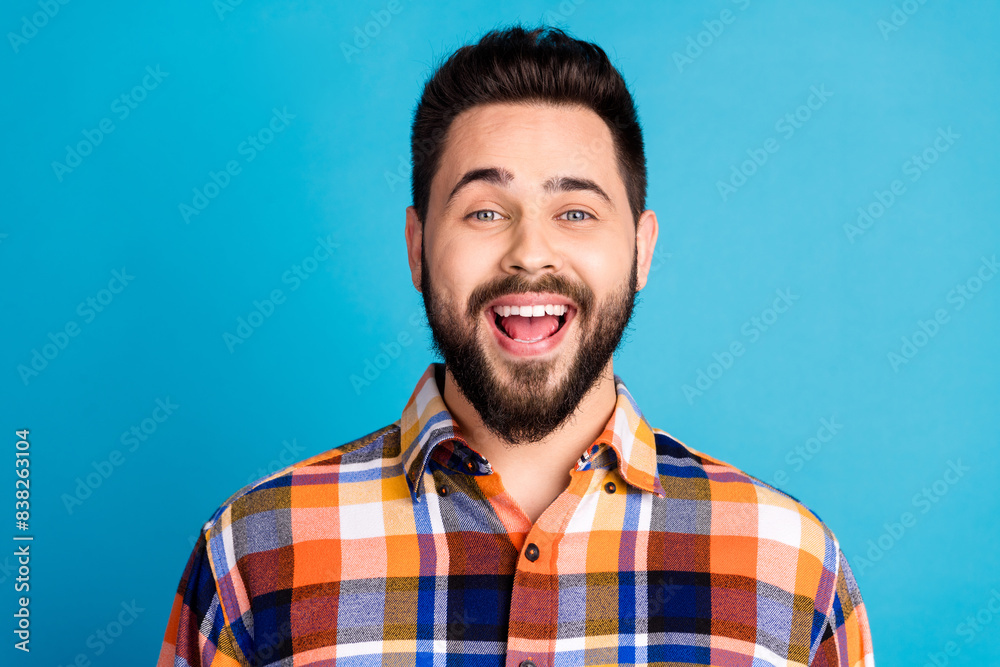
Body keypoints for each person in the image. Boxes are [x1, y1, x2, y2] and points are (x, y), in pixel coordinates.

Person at [158, 24, 874, 667]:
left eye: (575, 211)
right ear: (417, 247)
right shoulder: (250, 557)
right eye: (485, 211)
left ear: (640, 249)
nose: (531, 253)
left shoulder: (793, 571)